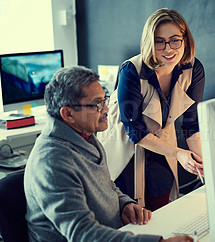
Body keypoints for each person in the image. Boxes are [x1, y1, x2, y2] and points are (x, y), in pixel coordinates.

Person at [24, 66, 192, 242]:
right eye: (97, 104)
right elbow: (83, 234)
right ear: (68, 114)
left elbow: (106, 184)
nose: (106, 110)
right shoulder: (52, 162)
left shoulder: (85, 136)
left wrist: (124, 204)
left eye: (105, 100)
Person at [101, 8, 205, 211]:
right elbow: (136, 132)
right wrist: (179, 154)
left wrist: (204, 166)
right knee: (129, 208)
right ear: (150, 42)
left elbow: (192, 125)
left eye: (175, 40)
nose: (168, 49)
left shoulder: (193, 69)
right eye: (159, 41)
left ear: (185, 40)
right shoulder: (131, 70)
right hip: (125, 143)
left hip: (162, 141)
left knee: (161, 203)